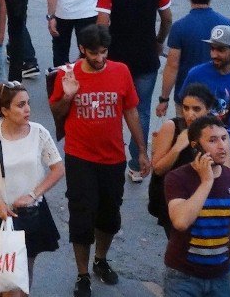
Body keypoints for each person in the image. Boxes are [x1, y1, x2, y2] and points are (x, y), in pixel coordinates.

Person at [49, 24, 149, 297]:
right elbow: (56, 112)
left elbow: (130, 111)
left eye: (103, 52)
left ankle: (100, 259)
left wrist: (141, 150)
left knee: (109, 215)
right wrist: (68, 95)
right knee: (81, 217)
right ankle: (82, 274)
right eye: (93, 53)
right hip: (80, 157)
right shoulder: (67, 74)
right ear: (82, 49)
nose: (99, 58)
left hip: (113, 157)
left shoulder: (121, 71)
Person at [0, 82, 63, 297]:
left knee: (23, 275)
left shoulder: (39, 133)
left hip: (30, 213)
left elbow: (58, 169)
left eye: (28, 103)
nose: (28, 109)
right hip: (1, 215)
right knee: (4, 279)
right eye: (20, 105)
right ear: (4, 110)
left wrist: (33, 195)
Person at [95, 0, 172, 182]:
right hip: (147, 58)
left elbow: (103, 24)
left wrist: (101, 53)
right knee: (142, 110)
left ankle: (113, 158)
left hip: (117, 61)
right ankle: (137, 162)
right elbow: (167, 17)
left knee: (115, 110)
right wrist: (159, 41)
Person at [163, 116, 230, 297]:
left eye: (224, 138)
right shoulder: (177, 178)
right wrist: (206, 181)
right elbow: (181, 222)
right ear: (195, 146)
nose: (222, 146)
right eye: (212, 140)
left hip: (220, 277)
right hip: (182, 278)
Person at [180, 26, 230, 182]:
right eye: (212, 49)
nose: (214, 54)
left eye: (221, 50)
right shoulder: (196, 74)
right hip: (201, 153)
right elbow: (182, 107)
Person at [158, 0, 230, 112]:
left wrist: (164, 99)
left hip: (188, 101)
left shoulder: (180, 27)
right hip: (218, 97)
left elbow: (172, 65)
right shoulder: (226, 25)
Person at [149, 83, 215, 235]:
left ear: (208, 109)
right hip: (175, 200)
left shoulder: (216, 131)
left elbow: (226, 170)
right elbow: (158, 169)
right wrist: (178, 147)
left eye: (196, 109)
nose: (190, 114)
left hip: (205, 199)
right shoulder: (172, 127)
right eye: (186, 108)